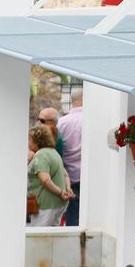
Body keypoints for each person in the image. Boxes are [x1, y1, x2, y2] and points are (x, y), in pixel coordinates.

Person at [27, 124, 73, 226]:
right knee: (53, 237)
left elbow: (45, 180)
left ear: (37, 141)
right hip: (59, 204)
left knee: (38, 238)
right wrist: (67, 189)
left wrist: (61, 192)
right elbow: (65, 175)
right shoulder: (54, 152)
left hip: (45, 205)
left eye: (29, 139)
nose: (28, 143)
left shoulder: (41, 155)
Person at [60, 90, 83, 227]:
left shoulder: (62, 122)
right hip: (88, 176)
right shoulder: (91, 119)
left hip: (69, 175)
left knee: (72, 215)